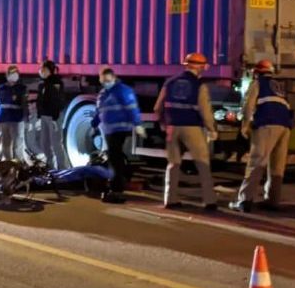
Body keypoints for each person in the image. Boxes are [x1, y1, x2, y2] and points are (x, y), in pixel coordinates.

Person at [155, 53, 218, 210]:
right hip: (192, 128)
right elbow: (205, 111)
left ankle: (170, 200)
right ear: (200, 66)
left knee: (173, 164)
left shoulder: (169, 82)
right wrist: (211, 129)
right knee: (202, 163)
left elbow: (157, 107)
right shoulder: (199, 85)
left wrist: (163, 123)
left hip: (172, 127)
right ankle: (209, 201)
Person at [229, 60, 293, 212]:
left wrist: (244, 127)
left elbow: (248, 107)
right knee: (277, 166)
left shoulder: (257, 84)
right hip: (285, 127)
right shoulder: (278, 87)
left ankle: (244, 201)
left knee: (256, 162)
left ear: (257, 73)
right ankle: (273, 200)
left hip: (267, 125)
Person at [91, 68, 144, 204]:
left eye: (108, 81)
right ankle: (115, 186)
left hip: (120, 128)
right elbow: (100, 110)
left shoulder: (123, 90)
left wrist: (137, 124)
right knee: (114, 157)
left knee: (115, 158)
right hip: (109, 130)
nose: (106, 83)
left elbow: (132, 107)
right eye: (103, 81)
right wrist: (94, 124)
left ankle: (117, 188)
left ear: (114, 78)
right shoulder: (103, 93)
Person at [36, 60, 70, 170]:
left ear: (50, 71)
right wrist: (39, 115)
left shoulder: (56, 83)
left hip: (53, 117)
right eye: (41, 69)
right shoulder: (42, 84)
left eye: (44, 70)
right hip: (44, 117)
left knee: (56, 144)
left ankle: (63, 169)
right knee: (44, 144)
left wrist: (55, 117)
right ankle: (50, 167)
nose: (41, 71)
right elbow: (40, 101)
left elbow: (58, 101)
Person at [0, 65, 28, 161]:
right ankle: (7, 164)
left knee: (17, 144)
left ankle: (18, 164)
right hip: (4, 119)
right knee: (5, 143)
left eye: (16, 73)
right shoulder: (2, 88)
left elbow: (25, 104)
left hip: (16, 120)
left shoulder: (22, 88)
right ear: (7, 75)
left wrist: (26, 118)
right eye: (12, 73)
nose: (14, 75)